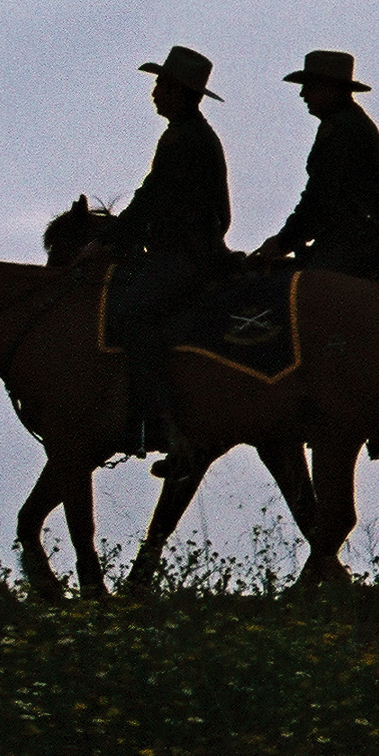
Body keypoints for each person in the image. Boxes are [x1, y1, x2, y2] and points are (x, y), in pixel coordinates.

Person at [112, 45, 234, 452]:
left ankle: (157, 418)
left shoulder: (186, 140)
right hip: (181, 250)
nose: (155, 92)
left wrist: (106, 242)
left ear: (181, 92)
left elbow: (151, 198)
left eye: (162, 84)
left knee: (133, 314)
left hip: (188, 255)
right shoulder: (185, 134)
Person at [253, 51, 379, 279]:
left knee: (297, 290)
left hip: (351, 242)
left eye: (310, 87)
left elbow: (320, 197)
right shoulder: (350, 122)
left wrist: (284, 241)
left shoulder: (340, 129)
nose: (302, 94)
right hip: (361, 236)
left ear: (331, 89)